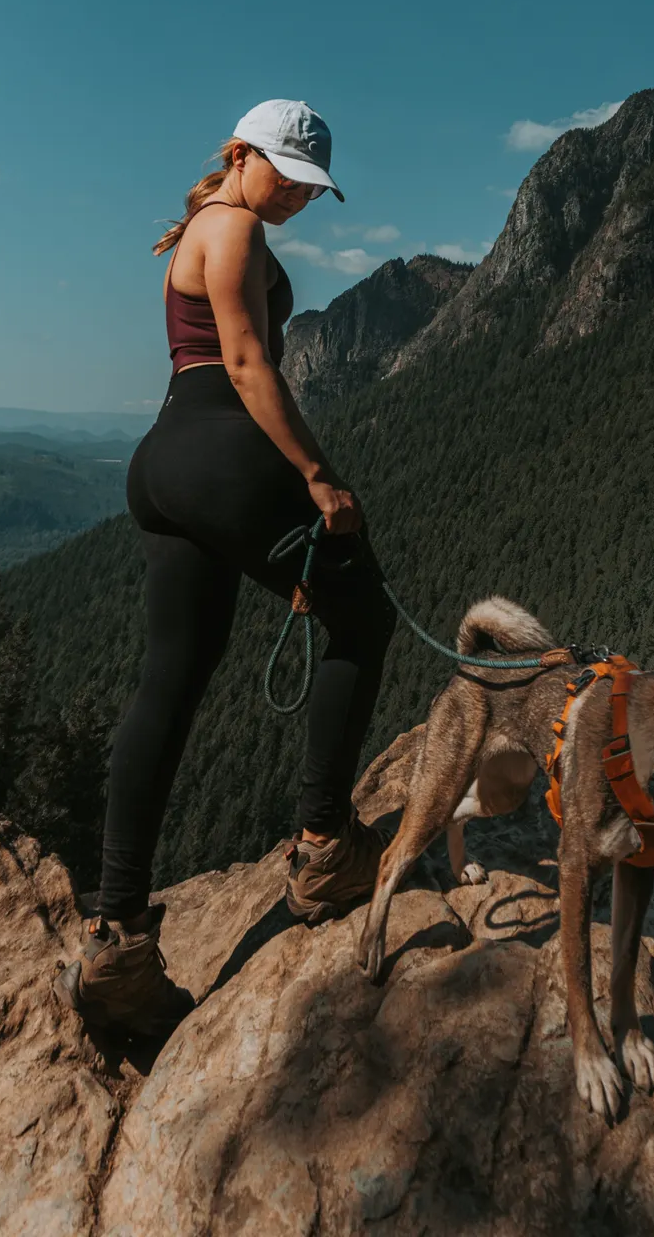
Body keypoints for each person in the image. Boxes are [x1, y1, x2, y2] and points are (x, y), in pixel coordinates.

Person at [55, 99, 396, 1037]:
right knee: (363, 617)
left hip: (165, 463)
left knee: (168, 682)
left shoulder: (199, 230)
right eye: (284, 172)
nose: (292, 194)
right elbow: (247, 364)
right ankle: (326, 846)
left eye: (305, 187)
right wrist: (318, 477)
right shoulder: (236, 225)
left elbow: (208, 358)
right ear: (241, 154)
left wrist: (262, 533)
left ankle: (117, 937)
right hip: (223, 452)